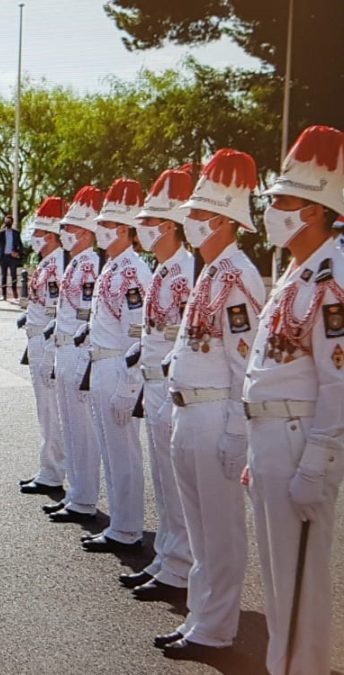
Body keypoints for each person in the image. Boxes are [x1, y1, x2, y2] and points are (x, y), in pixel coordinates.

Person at [156, 149, 265, 658]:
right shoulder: (209, 270)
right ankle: (201, 617)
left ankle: (217, 628)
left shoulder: (238, 274)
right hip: (187, 411)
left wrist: (237, 434)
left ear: (223, 220)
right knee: (200, 529)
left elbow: (245, 363)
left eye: (198, 215)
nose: (189, 223)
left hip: (214, 412)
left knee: (220, 531)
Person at [245, 125, 344, 675]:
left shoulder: (334, 276)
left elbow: (339, 382)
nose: (271, 210)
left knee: (301, 581)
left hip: (299, 439)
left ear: (312, 209)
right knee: (280, 577)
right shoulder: (296, 272)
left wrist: (319, 462)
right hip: (273, 437)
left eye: (281, 201)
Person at [122, 168, 196, 602]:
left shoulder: (185, 270)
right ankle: (167, 557)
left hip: (170, 386)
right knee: (164, 484)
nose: (143, 229)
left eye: (150, 222)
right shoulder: (164, 268)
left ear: (170, 226)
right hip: (152, 383)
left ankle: (180, 565)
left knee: (177, 486)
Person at [80, 179, 152, 554]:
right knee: (111, 449)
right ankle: (120, 523)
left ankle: (128, 528)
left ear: (125, 229)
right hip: (101, 363)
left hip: (119, 365)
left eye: (108, 224)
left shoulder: (133, 271)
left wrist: (129, 386)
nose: (101, 230)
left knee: (124, 450)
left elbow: (137, 332)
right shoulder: (112, 266)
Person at [45, 186, 104, 524]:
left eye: (68, 229)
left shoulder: (92, 263)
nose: (63, 234)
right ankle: (75, 492)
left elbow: (89, 313)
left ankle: (85, 497)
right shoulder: (76, 263)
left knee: (83, 431)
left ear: (84, 232)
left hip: (79, 351)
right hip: (64, 348)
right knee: (70, 428)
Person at [17, 196, 67, 494]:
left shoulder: (58, 264)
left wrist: (49, 348)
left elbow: (58, 309)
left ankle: (53, 471)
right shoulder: (47, 263)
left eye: (38, 233)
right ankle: (48, 468)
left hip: (47, 340)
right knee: (44, 412)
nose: (33, 238)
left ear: (50, 236)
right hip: (36, 338)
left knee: (51, 412)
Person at [0, 214, 23, 300]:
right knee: (3, 276)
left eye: (9, 221)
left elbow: (20, 245)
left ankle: (14, 292)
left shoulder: (16, 233)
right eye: (6, 221)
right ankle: (3, 294)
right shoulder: (1, 233)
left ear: (12, 222)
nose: (8, 223)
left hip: (12, 257)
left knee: (14, 275)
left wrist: (17, 253)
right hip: (3, 257)